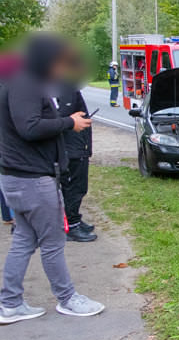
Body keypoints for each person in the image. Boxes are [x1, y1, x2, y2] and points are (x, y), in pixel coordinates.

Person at [0, 34, 105, 324]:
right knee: (54, 240)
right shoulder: (26, 83)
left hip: (22, 178)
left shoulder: (23, 80)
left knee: (23, 240)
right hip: (32, 180)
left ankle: (9, 304)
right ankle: (67, 298)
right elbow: (29, 127)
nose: (63, 67)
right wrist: (69, 122)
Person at [59, 82, 97, 242]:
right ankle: (71, 225)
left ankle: (75, 219)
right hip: (70, 147)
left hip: (78, 144)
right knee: (73, 187)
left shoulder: (68, 86)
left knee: (79, 187)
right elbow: (61, 116)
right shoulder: (58, 87)